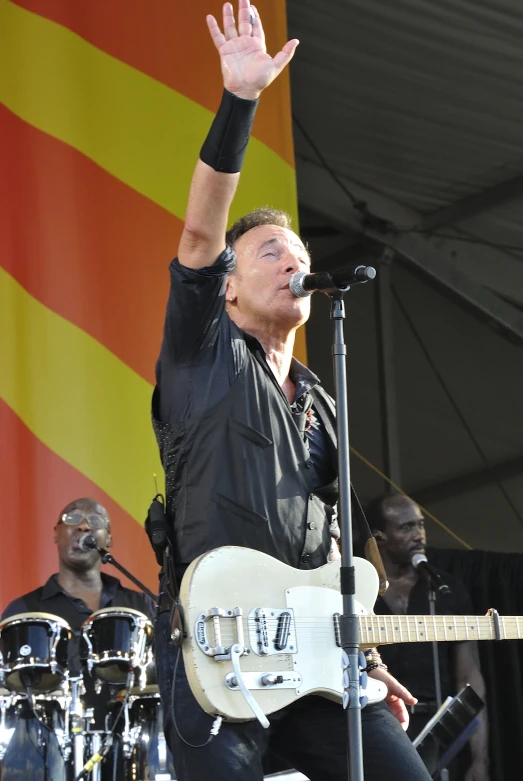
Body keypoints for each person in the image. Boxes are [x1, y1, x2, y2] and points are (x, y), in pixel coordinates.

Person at [151, 2, 432, 779]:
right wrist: (240, 100)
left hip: (318, 665)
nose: (289, 259)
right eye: (270, 250)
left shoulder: (320, 396)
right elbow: (201, 237)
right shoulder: (204, 351)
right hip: (222, 656)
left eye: (297, 250)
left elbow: (331, 546)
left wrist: (364, 652)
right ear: (230, 292)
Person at [0, 497, 157, 781]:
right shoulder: (23, 611)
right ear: (56, 534)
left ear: (107, 540)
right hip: (45, 758)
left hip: (131, 752)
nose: (83, 525)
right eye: (71, 519)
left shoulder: (142, 607)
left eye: (95, 521)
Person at [367, 492, 489, 781]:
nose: (419, 534)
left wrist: (480, 758)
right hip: (381, 725)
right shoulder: (360, 590)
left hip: (443, 728)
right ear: (379, 536)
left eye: (421, 525)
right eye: (406, 527)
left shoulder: (446, 589)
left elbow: (469, 678)